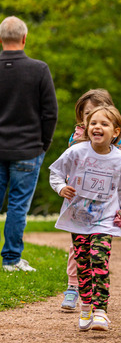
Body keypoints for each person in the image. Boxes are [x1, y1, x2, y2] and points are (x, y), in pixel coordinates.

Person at [49, 105, 121, 332]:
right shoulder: (77, 152)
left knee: (99, 260)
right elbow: (55, 172)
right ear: (87, 128)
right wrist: (61, 188)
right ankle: (86, 305)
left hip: (105, 219)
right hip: (78, 218)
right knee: (83, 264)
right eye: (93, 123)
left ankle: (100, 312)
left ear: (115, 132)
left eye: (104, 124)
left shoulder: (119, 159)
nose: (97, 127)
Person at [61, 88, 121, 311]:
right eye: (86, 114)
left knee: (98, 249)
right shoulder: (77, 137)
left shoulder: (117, 142)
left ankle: (96, 293)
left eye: (97, 113)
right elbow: (67, 164)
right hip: (80, 200)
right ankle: (73, 287)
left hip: (103, 203)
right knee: (77, 247)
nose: (92, 118)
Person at [0, 16, 58, 272]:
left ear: (0, 39)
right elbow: (50, 113)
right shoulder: (39, 69)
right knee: (18, 206)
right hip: (28, 148)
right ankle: (12, 260)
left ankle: (12, 259)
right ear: (24, 39)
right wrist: (44, 143)